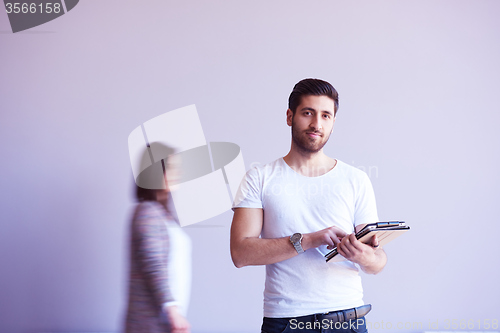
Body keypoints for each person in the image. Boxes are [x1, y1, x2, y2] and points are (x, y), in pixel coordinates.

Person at [230, 78, 387, 333]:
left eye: (326, 116)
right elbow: (240, 253)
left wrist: (364, 255)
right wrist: (309, 240)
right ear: (290, 116)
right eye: (308, 113)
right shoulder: (259, 178)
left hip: (348, 320)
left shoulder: (356, 179)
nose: (317, 124)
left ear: (334, 123)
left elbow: (378, 262)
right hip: (286, 322)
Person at [125, 150, 191, 333]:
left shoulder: (163, 215)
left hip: (165, 320)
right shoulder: (147, 212)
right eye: (171, 167)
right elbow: (153, 265)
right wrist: (172, 311)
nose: (177, 173)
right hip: (151, 322)